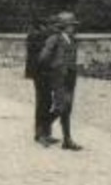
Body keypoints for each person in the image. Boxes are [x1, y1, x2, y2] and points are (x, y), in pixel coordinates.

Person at [40, 11, 83, 151]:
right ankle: (43, 130)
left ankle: (67, 140)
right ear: (64, 26)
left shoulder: (72, 39)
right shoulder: (54, 39)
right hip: (58, 77)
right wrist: (53, 68)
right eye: (71, 25)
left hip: (70, 77)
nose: (73, 28)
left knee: (67, 108)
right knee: (61, 106)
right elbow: (43, 57)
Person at [25, 15, 57, 146]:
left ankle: (45, 132)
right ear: (42, 25)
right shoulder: (36, 35)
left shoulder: (37, 34)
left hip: (42, 73)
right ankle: (40, 134)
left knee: (46, 101)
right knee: (43, 102)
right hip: (40, 73)